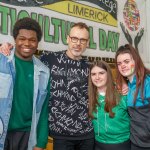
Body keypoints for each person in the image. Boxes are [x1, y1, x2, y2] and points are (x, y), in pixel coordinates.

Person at [40, 22, 94, 150]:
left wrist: (123, 84)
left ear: (87, 42)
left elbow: (108, 85)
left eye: (83, 40)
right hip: (60, 135)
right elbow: (26, 58)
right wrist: (8, 48)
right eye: (74, 38)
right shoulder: (49, 59)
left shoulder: (91, 66)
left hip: (87, 134)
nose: (78, 43)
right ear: (68, 39)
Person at [0, 17, 50, 150]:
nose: (27, 43)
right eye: (22, 38)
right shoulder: (1, 60)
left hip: (28, 135)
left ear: (38, 43)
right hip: (2, 131)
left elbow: (44, 110)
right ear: (15, 39)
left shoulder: (44, 71)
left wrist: (41, 142)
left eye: (32, 40)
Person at [88, 60, 130, 150]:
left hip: (121, 144)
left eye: (101, 73)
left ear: (108, 74)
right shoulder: (90, 96)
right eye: (93, 74)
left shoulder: (122, 94)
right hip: (98, 144)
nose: (97, 77)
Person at [115, 44, 150, 150]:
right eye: (119, 63)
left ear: (135, 61)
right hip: (135, 142)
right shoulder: (126, 85)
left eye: (126, 61)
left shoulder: (147, 82)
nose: (122, 66)